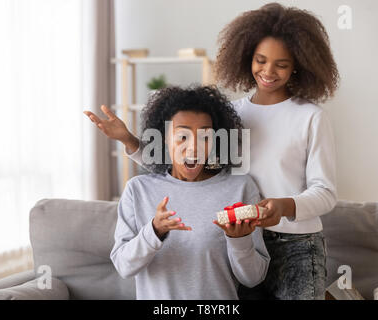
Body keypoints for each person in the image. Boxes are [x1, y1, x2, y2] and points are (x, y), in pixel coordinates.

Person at [85, 2, 338, 300]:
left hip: (295, 243)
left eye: (281, 64)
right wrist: (130, 141)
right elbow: (183, 160)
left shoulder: (309, 116)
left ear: (299, 65)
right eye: (260, 60)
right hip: (234, 240)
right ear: (246, 58)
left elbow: (326, 192)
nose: (268, 71)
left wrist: (284, 206)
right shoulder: (231, 115)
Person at [98, 86, 270, 299]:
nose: (194, 148)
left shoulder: (240, 188)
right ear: (163, 138)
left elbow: (253, 278)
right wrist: (154, 231)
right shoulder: (138, 190)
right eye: (182, 137)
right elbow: (124, 267)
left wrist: (240, 240)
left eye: (205, 137)